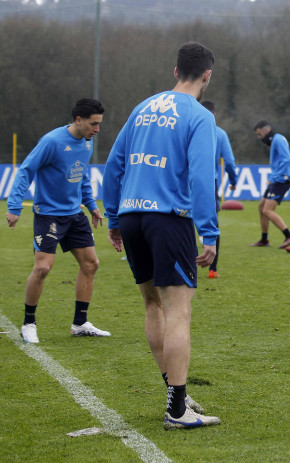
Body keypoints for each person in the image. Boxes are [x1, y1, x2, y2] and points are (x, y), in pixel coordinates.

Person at [102, 42, 221, 429]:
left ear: (175, 72)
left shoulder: (142, 108)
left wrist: (115, 219)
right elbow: (203, 177)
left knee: (153, 307)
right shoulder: (201, 117)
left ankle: (177, 395)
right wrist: (209, 232)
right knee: (178, 311)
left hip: (133, 217)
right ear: (206, 75)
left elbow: (114, 165)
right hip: (168, 220)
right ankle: (177, 409)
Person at [6, 98, 110, 344]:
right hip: (49, 214)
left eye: (99, 125)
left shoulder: (87, 142)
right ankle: (29, 323)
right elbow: (26, 170)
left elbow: (83, 175)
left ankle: (80, 323)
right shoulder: (51, 142)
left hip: (75, 215)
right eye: (93, 124)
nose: (97, 130)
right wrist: (14, 205)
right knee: (42, 268)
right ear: (78, 120)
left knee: (91, 264)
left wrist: (92, 206)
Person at [201, 100, 238, 278]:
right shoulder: (220, 134)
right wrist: (233, 180)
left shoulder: (189, 129)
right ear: (214, 115)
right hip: (209, 183)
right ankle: (213, 269)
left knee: (183, 223)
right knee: (212, 224)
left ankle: (185, 264)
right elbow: (229, 162)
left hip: (186, 183)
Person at [249, 120, 290, 249]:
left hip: (281, 180)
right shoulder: (276, 139)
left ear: (266, 130)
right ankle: (264, 240)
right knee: (261, 207)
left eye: (259, 134)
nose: (259, 138)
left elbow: (287, 159)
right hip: (277, 179)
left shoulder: (278, 139)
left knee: (267, 210)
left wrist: (274, 176)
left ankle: (289, 236)